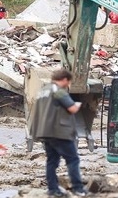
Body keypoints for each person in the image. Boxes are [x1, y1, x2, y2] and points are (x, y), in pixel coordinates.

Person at [27, 69, 88, 197]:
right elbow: (71, 108)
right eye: (69, 82)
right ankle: (78, 188)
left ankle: (52, 189)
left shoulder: (42, 91)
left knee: (52, 161)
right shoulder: (58, 91)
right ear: (65, 79)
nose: (68, 84)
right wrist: (78, 104)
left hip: (44, 132)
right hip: (59, 132)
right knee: (73, 160)